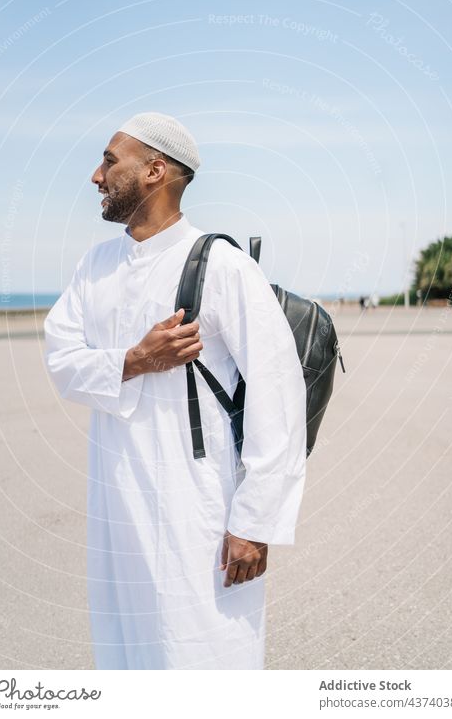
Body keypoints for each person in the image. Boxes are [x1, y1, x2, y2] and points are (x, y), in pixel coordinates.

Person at [43, 112, 307, 670]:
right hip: (116, 504)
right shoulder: (94, 266)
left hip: (203, 510)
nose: (96, 175)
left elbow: (278, 395)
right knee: (126, 652)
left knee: (206, 657)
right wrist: (136, 361)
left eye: (110, 161)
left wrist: (254, 524)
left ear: (155, 171)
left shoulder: (223, 266)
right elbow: (63, 362)